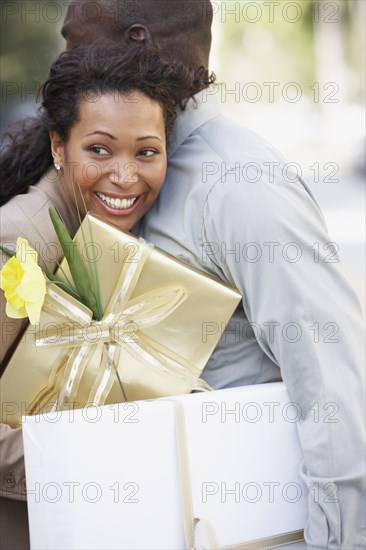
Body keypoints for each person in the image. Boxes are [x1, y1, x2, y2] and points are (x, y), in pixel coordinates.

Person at [56, 1, 365, 549]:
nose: (63, 61)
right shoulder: (134, 168)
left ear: (135, 43)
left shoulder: (238, 183)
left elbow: (333, 383)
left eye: (73, 44)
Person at [0, 42, 212, 549]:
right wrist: (107, 460)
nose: (124, 176)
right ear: (58, 147)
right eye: (99, 149)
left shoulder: (104, 235)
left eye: (146, 152)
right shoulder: (16, 247)